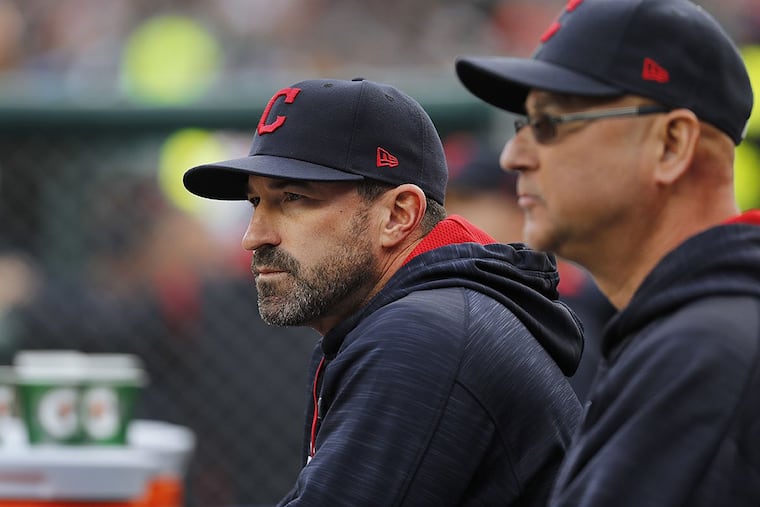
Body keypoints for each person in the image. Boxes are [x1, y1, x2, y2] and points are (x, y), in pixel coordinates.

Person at [183, 77, 584, 506]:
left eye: (293, 197)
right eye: (256, 202)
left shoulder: (422, 335)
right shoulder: (434, 314)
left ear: (398, 215)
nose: (254, 236)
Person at [455, 0, 760, 506]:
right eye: (521, 125)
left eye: (549, 124)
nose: (514, 156)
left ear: (671, 144)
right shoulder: (686, 329)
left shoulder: (704, 350)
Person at [443, 132, 615, 401]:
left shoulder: (568, 305)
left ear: (517, 207)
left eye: (465, 200)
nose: (449, 215)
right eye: (443, 201)